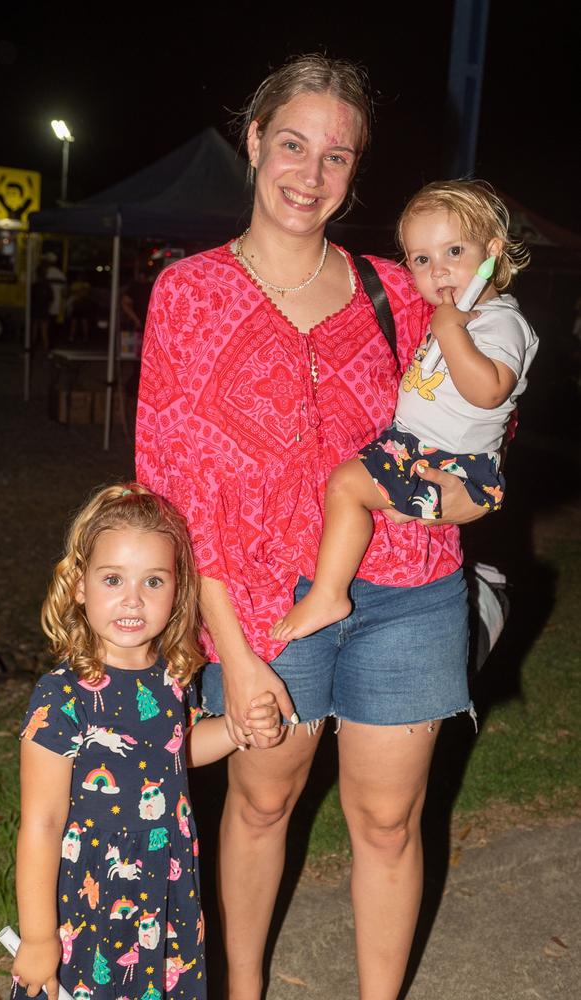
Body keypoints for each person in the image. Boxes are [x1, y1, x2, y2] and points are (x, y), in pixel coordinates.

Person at [136, 55, 487, 1000]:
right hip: (258, 603)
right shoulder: (189, 294)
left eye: (337, 155)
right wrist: (233, 649)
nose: (310, 172)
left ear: (355, 171)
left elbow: (477, 430)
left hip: (410, 590)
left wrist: (457, 493)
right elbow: (173, 492)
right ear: (254, 144)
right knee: (260, 804)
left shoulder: (404, 290)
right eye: (293, 144)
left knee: (387, 824)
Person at [11, 484, 279, 1000]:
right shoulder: (62, 696)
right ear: (80, 585)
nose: (132, 599)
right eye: (113, 579)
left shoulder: (172, 678)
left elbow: (175, 752)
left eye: (153, 581)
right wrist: (40, 935)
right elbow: (41, 823)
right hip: (89, 894)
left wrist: (236, 730)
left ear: (178, 591)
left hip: (164, 877)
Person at [272, 180, 538, 641]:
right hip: (418, 448)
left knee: (346, 485)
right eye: (421, 259)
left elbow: (491, 391)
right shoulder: (456, 315)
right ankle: (338, 583)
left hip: (449, 460)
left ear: (493, 252)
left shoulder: (502, 322)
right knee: (347, 485)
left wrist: (450, 331)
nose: (438, 271)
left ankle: (329, 592)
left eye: (454, 251)